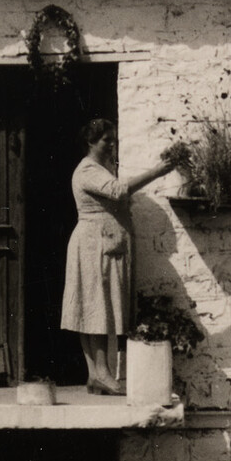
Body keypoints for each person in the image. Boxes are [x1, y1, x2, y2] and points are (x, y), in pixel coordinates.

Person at [60, 119, 179, 393]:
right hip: (94, 244)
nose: (112, 144)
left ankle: (95, 375)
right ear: (90, 142)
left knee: (93, 304)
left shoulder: (102, 168)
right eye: (106, 140)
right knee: (95, 306)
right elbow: (117, 190)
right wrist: (158, 172)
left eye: (114, 139)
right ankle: (102, 371)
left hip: (102, 243)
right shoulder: (87, 169)